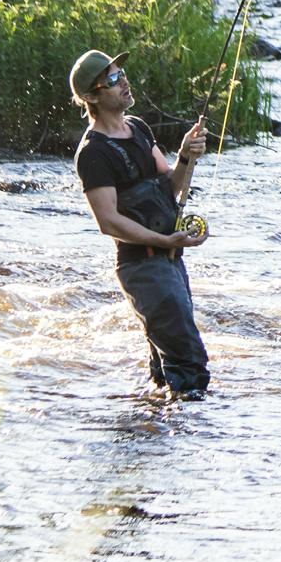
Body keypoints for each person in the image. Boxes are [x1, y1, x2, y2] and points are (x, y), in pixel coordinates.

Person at [69, 48, 212, 397]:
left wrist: (185, 155)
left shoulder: (138, 128)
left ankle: (158, 434)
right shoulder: (93, 153)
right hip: (143, 268)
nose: (124, 81)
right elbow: (109, 221)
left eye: (121, 72)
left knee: (165, 369)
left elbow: (173, 185)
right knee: (189, 363)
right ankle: (193, 437)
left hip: (170, 261)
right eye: (113, 79)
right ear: (92, 96)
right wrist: (165, 241)